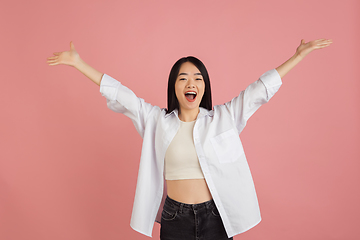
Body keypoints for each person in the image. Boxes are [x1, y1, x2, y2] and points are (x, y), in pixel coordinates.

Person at [47, 38, 332, 240]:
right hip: (175, 219)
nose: (191, 83)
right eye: (183, 78)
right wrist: (78, 63)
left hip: (217, 216)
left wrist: (298, 56)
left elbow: (258, 91)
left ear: (204, 86)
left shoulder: (224, 117)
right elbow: (123, 96)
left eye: (197, 78)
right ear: (174, 86)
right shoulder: (156, 121)